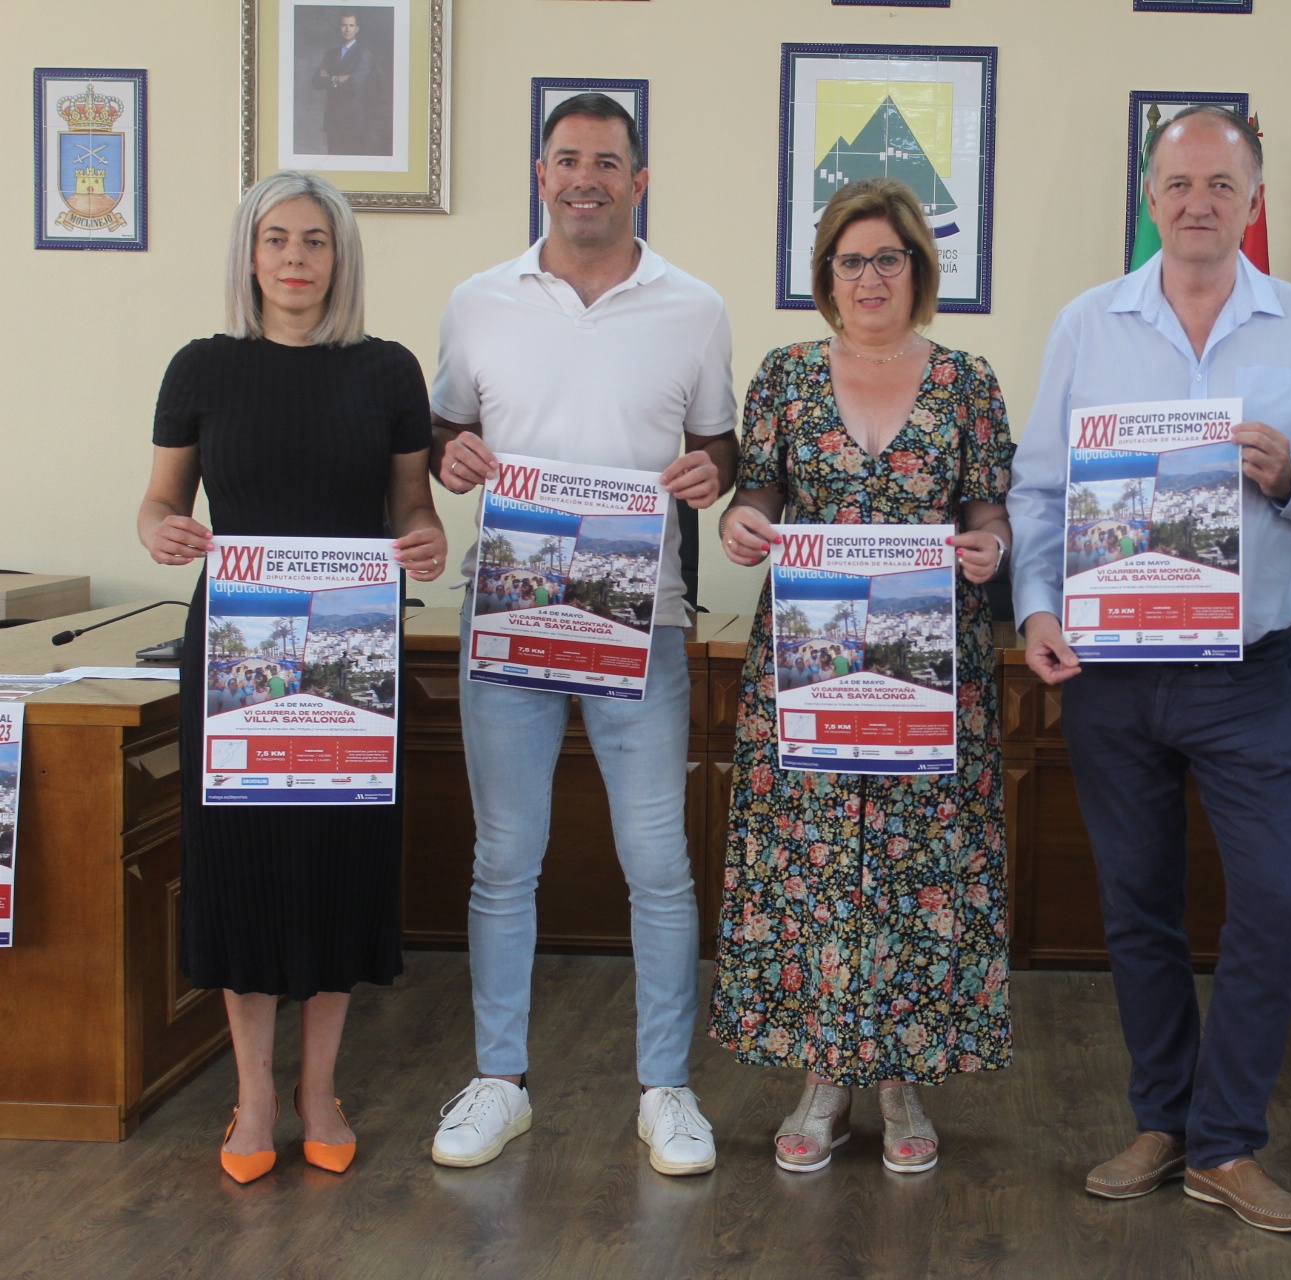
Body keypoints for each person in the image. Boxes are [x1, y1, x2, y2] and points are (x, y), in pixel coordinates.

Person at [1008, 106, 1291, 1232]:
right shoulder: (1088, 323)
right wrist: (1034, 607)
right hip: (1112, 671)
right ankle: (1165, 1120)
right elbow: (1040, 489)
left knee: (1278, 901)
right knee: (1139, 907)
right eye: (1178, 184)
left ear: (1254, 200)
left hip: (1248, 671)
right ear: (1150, 198)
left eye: (1222, 185)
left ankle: (1227, 1142)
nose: (1199, 202)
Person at [425, 93, 738, 1176]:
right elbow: (446, 429)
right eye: (567, 159)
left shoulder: (696, 307)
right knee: (504, 856)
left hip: (641, 621)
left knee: (658, 861)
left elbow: (721, 448)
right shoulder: (478, 301)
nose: (585, 178)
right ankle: (499, 1082)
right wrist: (449, 454)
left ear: (638, 181)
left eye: (607, 161)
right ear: (541, 174)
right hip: (510, 614)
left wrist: (711, 472)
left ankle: (667, 1089)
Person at [137, 170, 447, 1184]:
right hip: (237, 646)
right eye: (277, 238)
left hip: (354, 649)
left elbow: (412, 507)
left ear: (340, 256)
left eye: (315, 240)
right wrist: (163, 530)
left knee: (335, 861)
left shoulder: (388, 371)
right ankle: (255, 1095)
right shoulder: (201, 367)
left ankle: (319, 1089)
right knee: (242, 864)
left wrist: (427, 536)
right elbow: (159, 503)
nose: (296, 258)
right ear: (250, 253)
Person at [710, 176, 1016, 1175]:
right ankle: (824, 1080)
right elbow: (759, 493)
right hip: (813, 668)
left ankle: (900, 1079)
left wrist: (992, 544)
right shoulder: (786, 374)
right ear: (827, 274)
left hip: (932, 674)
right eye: (852, 260)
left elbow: (987, 510)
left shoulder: (966, 380)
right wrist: (741, 522)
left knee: (919, 870)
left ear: (918, 268)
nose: (871, 276)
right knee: (816, 869)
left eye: (889, 257)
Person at [308, 12, 379, 157]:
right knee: (333, 160)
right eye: (344, 25)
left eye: (351, 25)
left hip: (353, 120)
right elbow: (316, 81)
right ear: (339, 28)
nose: (347, 29)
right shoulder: (330, 54)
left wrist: (329, 79)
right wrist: (337, 79)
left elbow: (354, 84)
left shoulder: (363, 53)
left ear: (357, 29)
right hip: (333, 119)